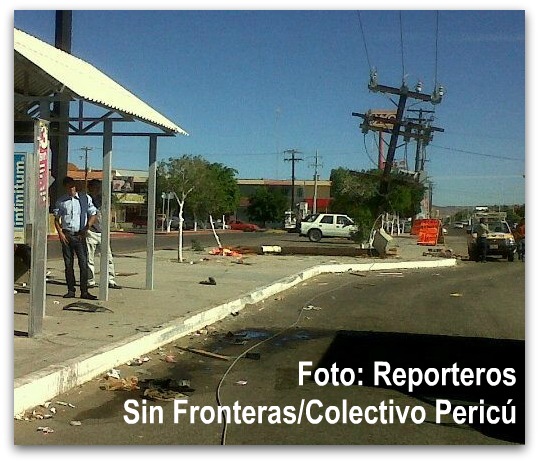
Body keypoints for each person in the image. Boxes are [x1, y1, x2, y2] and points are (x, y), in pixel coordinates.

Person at [53, 176, 98, 299]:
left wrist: (87, 228)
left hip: (80, 234)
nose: (71, 189)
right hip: (67, 234)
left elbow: (93, 213)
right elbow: (56, 219)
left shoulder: (84, 198)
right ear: (65, 187)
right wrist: (60, 233)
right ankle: (70, 290)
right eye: (69, 186)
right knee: (68, 264)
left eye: (73, 186)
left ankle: (84, 291)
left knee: (83, 263)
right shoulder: (61, 201)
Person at [86, 179, 122, 289]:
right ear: (90, 188)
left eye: (99, 187)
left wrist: (109, 224)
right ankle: (90, 281)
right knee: (89, 258)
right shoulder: (87, 200)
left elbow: (109, 211)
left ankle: (110, 280)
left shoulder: (104, 199)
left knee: (108, 257)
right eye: (95, 187)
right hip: (91, 231)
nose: (97, 190)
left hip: (103, 231)